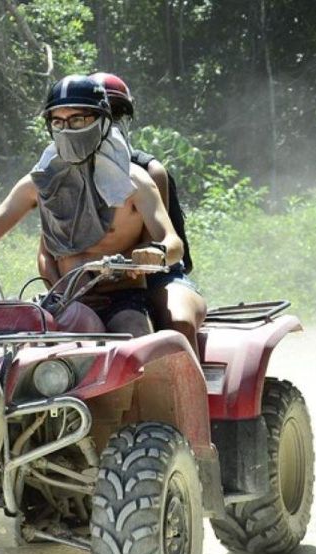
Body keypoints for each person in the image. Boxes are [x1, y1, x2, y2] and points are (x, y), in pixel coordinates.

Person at [0, 74, 183, 338]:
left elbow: (172, 242)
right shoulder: (40, 182)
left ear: (102, 121)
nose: (67, 129)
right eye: (58, 121)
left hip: (119, 300)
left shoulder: (134, 181)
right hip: (62, 299)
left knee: (136, 342)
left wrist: (158, 252)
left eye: (77, 119)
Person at [36, 72, 206, 356]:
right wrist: (66, 290)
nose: (110, 123)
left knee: (177, 322)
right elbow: (49, 248)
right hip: (94, 280)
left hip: (153, 274)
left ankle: (184, 395)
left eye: (116, 115)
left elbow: (152, 243)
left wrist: (121, 278)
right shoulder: (61, 173)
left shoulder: (144, 172)